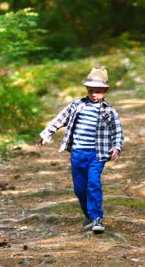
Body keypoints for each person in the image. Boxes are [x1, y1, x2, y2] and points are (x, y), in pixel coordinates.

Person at [36, 67, 124, 234]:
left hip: (97, 155)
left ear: (105, 91)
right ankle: (89, 216)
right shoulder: (77, 106)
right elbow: (60, 118)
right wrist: (47, 133)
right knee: (80, 188)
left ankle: (97, 218)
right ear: (86, 90)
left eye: (98, 91)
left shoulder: (109, 111)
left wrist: (117, 146)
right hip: (78, 153)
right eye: (91, 91)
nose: (94, 95)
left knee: (93, 184)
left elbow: (117, 131)